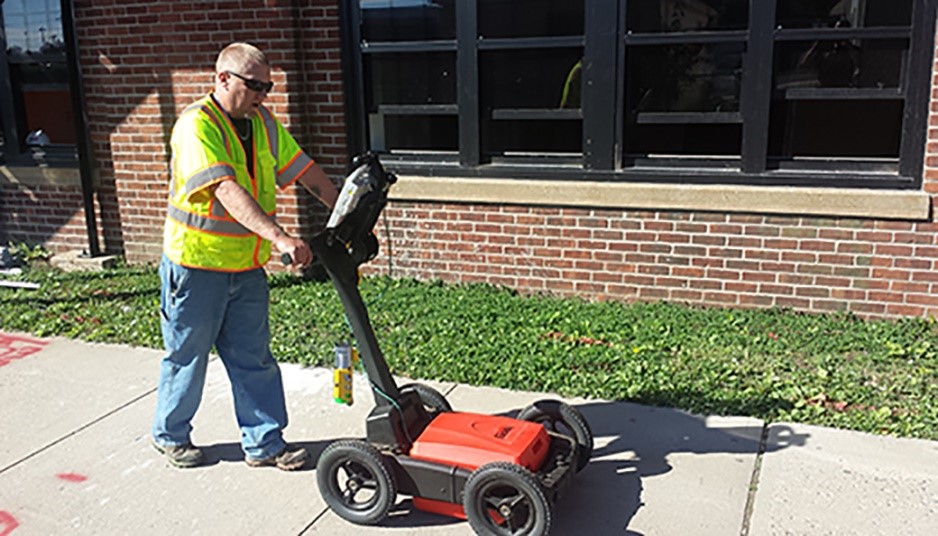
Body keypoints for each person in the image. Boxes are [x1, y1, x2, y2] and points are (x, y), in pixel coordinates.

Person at [152, 42, 338, 470]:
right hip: (196, 267)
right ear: (223, 78)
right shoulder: (196, 125)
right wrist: (280, 237)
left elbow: (303, 168)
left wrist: (343, 207)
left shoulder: (263, 123)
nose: (262, 94)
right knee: (187, 356)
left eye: (267, 86)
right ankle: (170, 434)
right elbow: (224, 189)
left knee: (254, 359)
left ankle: (265, 443)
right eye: (254, 85)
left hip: (245, 268)